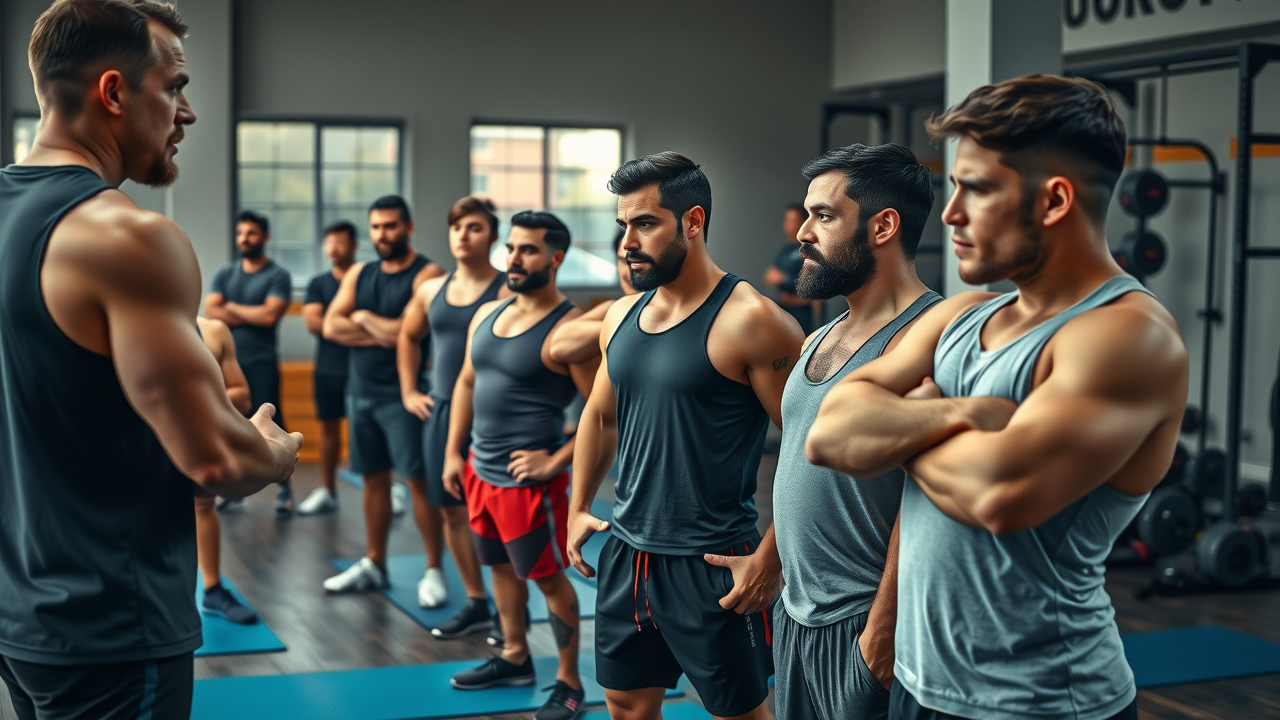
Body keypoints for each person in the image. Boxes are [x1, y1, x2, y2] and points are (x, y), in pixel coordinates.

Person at [805, 75, 1188, 720]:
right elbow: (829, 433)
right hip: (919, 683)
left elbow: (998, 497)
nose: (951, 213)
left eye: (976, 189)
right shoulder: (964, 314)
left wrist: (902, 422)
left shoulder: (1126, 336)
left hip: (1038, 701)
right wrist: (962, 414)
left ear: (1055, 200)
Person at [0, 2, 301, 717]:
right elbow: (218, 463)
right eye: (173, 87)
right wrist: (275, 449)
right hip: (111, 626)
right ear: (113, 93)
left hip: (20, 615)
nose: (187, 113)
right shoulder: (129, 237)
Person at [567, 152, 804, 720]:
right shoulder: (619, 316)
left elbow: (811, 449)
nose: (628, 240)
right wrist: (577, 505)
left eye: (645, 223)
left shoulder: (753, 322)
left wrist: (772, 556)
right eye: (623, 224)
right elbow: (600, 416)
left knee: (740, 712)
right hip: (627, 551)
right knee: (624, 703)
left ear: (693, 222)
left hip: (714, 560)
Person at [764, 144, 940, 720]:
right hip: (796, 615)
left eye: (825, 216)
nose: (803, 235)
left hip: (865, 623)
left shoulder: (929, 343)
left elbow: (930, 502)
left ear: (883, 225)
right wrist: (770, 558)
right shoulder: (820, 336)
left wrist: (881, 632)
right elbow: (798, 464)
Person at [442, 211, 597, 720]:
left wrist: (554, 460)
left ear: (555, 259)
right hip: (479, 471)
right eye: (510, 247)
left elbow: (603, 417)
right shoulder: (489, 312)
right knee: (501, 569)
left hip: (530, 485)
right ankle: (514, 655)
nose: (513, 258)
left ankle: (569, 682)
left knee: (549, 579)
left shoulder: (568, 329)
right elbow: (466, 382)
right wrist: (452, 452)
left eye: (527, 250)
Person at [321, 195, 445, 601]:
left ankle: (433, 571)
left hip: (404, 396)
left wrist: (364, 319)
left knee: (418, 483)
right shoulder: (360, 272)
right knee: (372, 480)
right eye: (376, 227)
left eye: (391, 226)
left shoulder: (428, 275)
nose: (382, 234)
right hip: (360, 392)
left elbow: (407, 335)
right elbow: (330, 326)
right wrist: (384, 330)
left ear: (408, 228)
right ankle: (374, 563)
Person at [397, 196, 508, 620]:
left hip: (492, 415)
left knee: (495, 513)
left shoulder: (506, 289)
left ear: (493, 237)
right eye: (457, 227)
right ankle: (477, 601)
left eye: (475, 227)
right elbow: (408, 336)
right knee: (450, 508)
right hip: (442, 410)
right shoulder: (430, 289)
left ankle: (508, 606)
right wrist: (410, 390)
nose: (463, 235)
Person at [204, 209, 294, 517]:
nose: (245, 238)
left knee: (273, 420)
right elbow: (211, 308)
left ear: (265, 237)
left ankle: (285, 490)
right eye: (241, 233)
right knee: (230, 423)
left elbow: (270, 315)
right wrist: (250, 311)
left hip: (261, 362)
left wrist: (230, 308)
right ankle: (234, 490)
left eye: (252, 233)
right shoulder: (226, 274)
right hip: (228, 367)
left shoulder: (277, 275)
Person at [194, 317, 259, 625]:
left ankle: (212, 589)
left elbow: (242, 395)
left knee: (203, 503)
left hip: (196, 432)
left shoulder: (213, 330)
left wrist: (192, 399)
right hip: (141, 437)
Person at [297, 220, 359, 515]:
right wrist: (357, 325)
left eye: (341, 242)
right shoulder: (319, 283)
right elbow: (313, 323)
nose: (334, 248)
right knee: (328, 429)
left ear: (354, 245)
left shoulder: (366, 278)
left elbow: (328, 325)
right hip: (328, 369)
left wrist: (334, 326)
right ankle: (328, 490)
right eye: (329, 242)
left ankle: (389, 488)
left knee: (369, 431)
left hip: (364, 369)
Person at [549, 228, 637, 365]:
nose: (630, 271)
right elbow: (558, 346)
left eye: (637, 261)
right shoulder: (616, 309)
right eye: (623, 260)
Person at [763, 203, 823, 333]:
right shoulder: (784, 251)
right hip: (784, 313)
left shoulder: (809, 250)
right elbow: (770, 277)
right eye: (786, 220)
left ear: (802, 223)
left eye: (792, 220)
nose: (786, 224)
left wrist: (783, 279)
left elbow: (815, 290)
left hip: (802, 315)